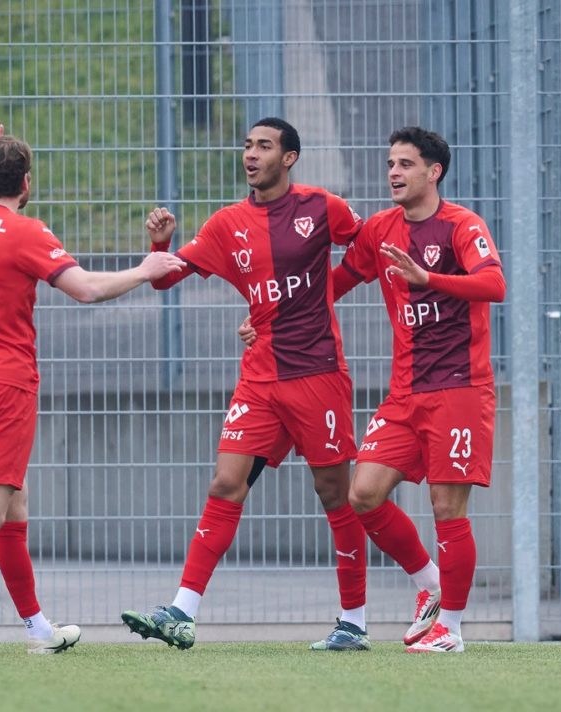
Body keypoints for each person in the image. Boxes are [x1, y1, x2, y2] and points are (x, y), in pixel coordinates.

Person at [0, 120, 186, 655]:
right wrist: (144, 269)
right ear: (26, 183)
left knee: (12, 507)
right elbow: (88, 290)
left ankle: (38, 630)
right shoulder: (26, 231)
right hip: (5, 384)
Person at [121, 117, 372, 651]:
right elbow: (166, 277)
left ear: (290, 158)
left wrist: (323, 295)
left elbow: (369, 249)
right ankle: (182, 611)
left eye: (264, 146)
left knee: (334, 493)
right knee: (225, 483)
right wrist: (159, 242)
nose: (251, 155)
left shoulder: (322, 207)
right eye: (247, 146)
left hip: (317, 374)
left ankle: (354, 621)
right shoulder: (226, 223)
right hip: (259, 378)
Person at [333, 127, 505, 653]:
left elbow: (494, 284)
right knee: (362, 494)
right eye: (390, 163)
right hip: (404, 393)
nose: (393, 173)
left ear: (434, 172)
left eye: (406, 164)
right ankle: (429, 583)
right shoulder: (381, 230)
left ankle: (451, 629)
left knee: (446, 508)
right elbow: (338, 281)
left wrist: (429, 279)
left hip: (459, 389)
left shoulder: (461, 225)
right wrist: (269, 318)